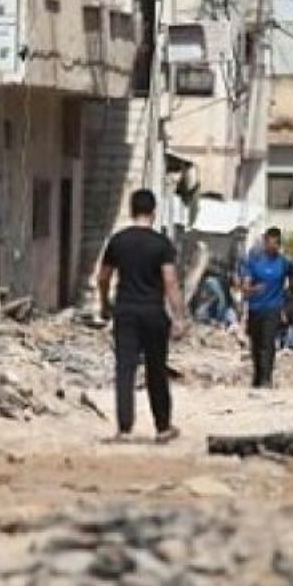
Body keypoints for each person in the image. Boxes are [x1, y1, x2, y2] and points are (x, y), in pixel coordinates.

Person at [96, 189, 187, 442]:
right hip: (153, 312)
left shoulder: (118, 241)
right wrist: (179, 317)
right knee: (156, 369)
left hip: (125, 311)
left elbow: (103, 277)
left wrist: (105, 303)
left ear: (131, 210)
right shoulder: (161, 244)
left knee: (125, 369)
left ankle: (125, 429)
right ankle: (163, 428)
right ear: (153, 212)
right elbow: (170, 281)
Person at [241, 227, 293, 389]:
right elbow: (245, 288)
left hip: (273, 308)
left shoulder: (284, 263)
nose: (272, 246)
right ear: (265, 242)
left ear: (279, 244)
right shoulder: (254, 261)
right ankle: (257, 377)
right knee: (256, 344)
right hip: (255, 308)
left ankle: (266, 379)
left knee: (268, 342)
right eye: (269, 242)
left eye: (275, 243)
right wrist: (253, 290)